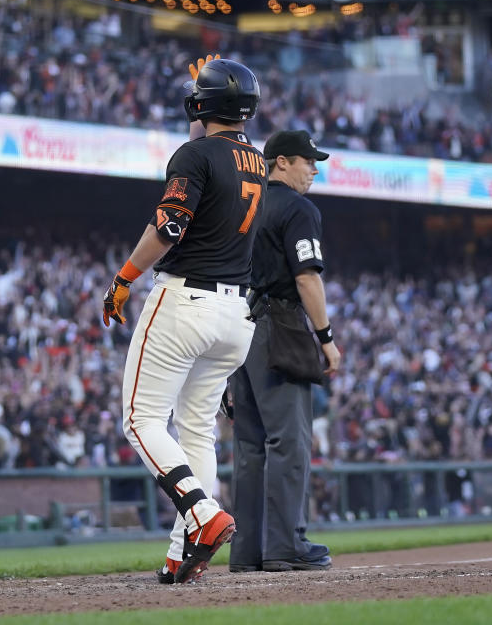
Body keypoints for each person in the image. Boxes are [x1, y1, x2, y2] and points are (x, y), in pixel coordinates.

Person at [102, 56, 266, 584]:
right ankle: (180, 554)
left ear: (204, 105)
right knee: (196, 429)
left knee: (141, 421)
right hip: (236, 314)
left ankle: (200, 515)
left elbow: (168, 227)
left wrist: (124, 277)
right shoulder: (257, 161)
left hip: (185, 302)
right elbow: (215, 151)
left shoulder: (193, 154)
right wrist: (212, 90)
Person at [228, 130, 340, 573]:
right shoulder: (298, 208)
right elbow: (307, 277)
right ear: (281, 163)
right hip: (279, 325)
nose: (314, 169)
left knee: (251, 446)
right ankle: (286, 546)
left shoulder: (243, 207)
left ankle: (249, 551)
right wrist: (326, 338)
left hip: (236, 327)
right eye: (307, 161)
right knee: (289, 441)